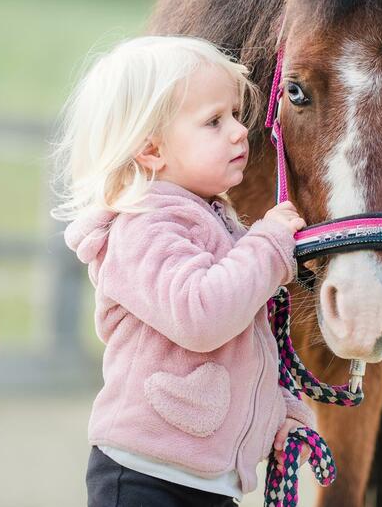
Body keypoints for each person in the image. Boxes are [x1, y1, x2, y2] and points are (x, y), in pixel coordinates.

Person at [51, 36, 315, 506]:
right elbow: (202, 315)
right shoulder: (142, 226)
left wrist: (278, 411)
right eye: (214, 122)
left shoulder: (214, 219)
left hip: (206, 482)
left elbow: (243, 342)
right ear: (151, 151)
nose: (239, 132)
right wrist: (270, 246)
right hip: (145, 478)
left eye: (235, 115)